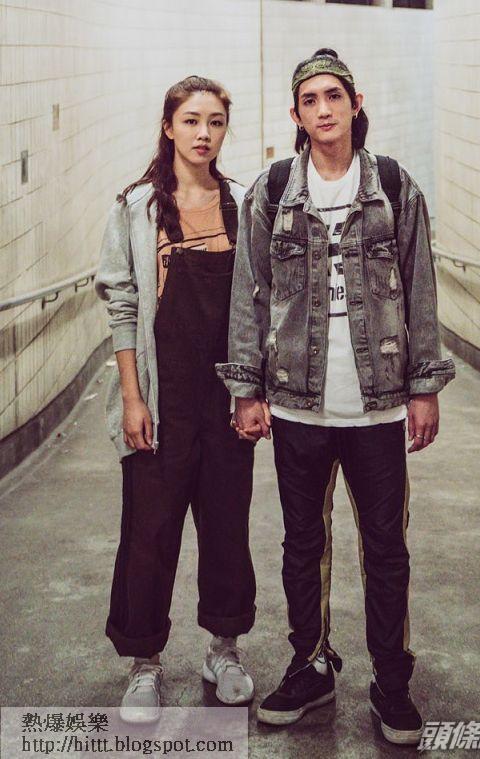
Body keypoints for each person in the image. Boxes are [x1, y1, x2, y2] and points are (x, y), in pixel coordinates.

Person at [217, 49, 455, 745]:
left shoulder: (394, 187)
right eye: (310, 100)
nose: (323, 109)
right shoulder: (271, 192)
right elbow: (249, 295)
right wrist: (246, 388)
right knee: (302, 544)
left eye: (333, 96)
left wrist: (425, 387)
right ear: (296, 114)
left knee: (385, 548)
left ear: (355, 104)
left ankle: (391, 680)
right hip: (296, 405)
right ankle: (310, 664)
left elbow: (420, 286)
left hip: (378, 406)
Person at [95, 76, 260, 722]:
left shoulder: (243, 203)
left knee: (226, 529)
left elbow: (256, 305)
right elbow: (123, 305)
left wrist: (249, 392)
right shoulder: (136, 207)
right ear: (168, 127)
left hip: (224, 401)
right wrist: (132, 399)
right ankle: (145, 664)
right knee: (149, 533)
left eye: (215, 122)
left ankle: (224, 650)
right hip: (162, 400)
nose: (203, 133)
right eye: (191, 120)